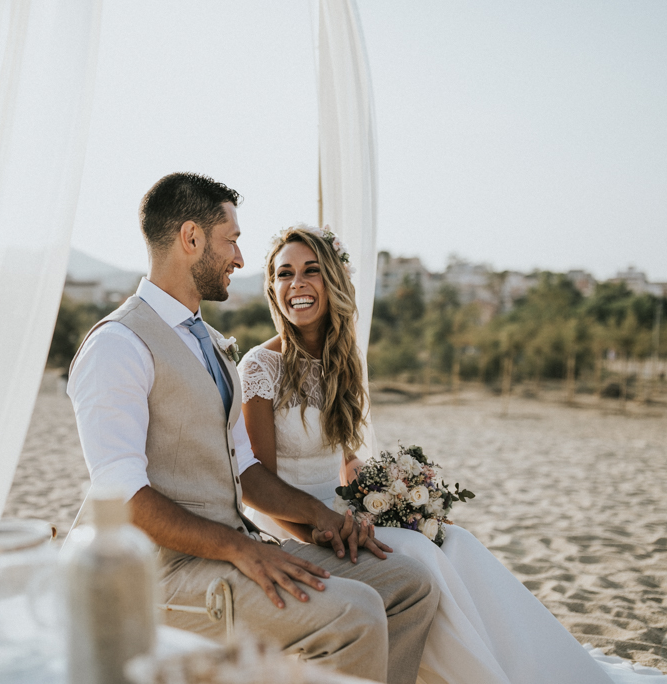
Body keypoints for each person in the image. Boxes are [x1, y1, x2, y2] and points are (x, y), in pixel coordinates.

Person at [239, 225, 660, 684]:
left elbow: (342, 461)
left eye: (310, 271)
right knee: (420, 555)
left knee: (455, 542)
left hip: (344, 515)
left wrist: (405, 504)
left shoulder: (345, 362)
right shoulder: (261, 368)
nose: (296, 284)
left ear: (334, 282)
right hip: (291, 528)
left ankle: (520, 665)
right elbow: (259, 482)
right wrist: (323, 533)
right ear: (271, 287)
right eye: (284, 274)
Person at [67, 173, 438, 684]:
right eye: (232, 240)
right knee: (355, 615)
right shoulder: (118, 345)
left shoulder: (213, 345)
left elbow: (246, 469)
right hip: (162, 575)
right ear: (191, 238)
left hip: (235, 546)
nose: (240, 259)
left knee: (410, 582)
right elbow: (123, 495)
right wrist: (242, 548)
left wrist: (320, 516)